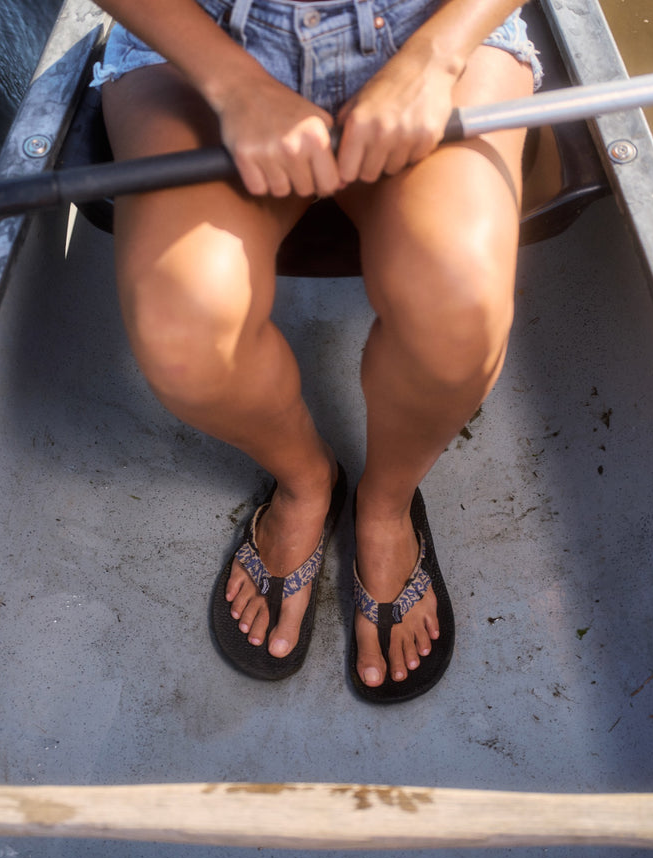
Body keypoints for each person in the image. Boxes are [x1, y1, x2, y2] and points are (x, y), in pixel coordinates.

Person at [90, 0, 541, 703]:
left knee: (459, 311)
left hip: (437, 29)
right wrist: (234, 84)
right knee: (184, 337)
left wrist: (432, 57)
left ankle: (386, 505)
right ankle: (304, 481)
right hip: (196, 45)